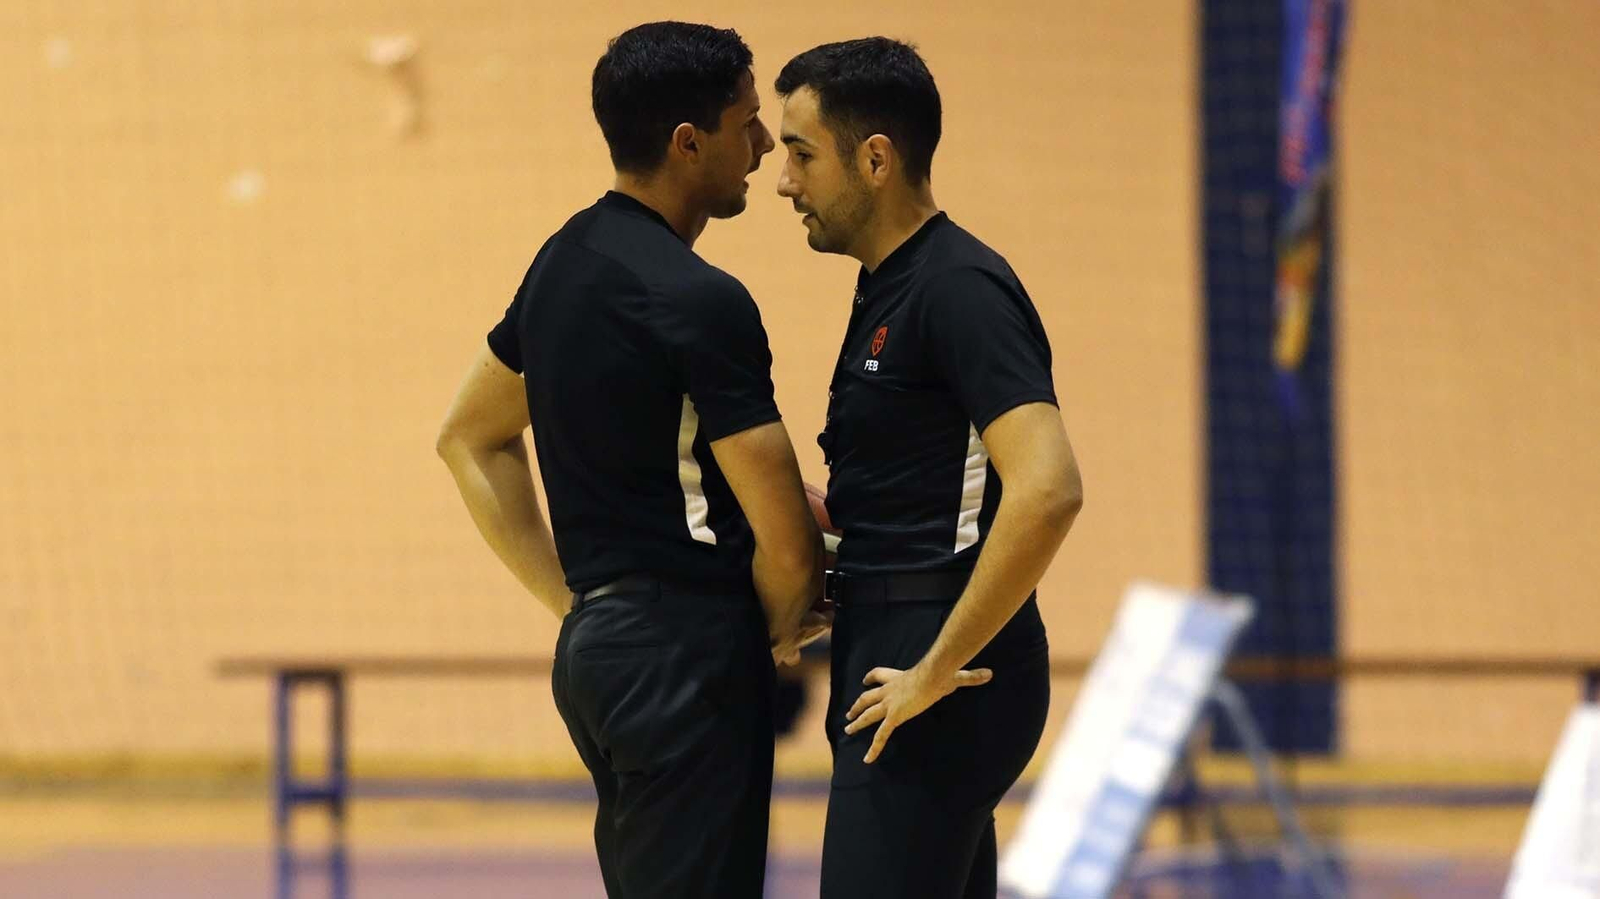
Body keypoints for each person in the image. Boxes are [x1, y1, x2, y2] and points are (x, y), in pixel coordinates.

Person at [435, 21, 823, 898]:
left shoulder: (561, 263)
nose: (763, 143)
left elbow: (468, 435)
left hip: (601, 659)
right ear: (689, 143)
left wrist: (575, 605)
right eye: (748, 121)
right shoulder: (703, 301)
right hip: (687, 658)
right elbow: (791, 548)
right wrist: (768, 626)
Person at [773, 37, 1085, 898]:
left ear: (875, 159)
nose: (782, 179)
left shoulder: (960, 287)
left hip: (939, 672)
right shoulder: (890, 286)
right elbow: (927, 490)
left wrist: (938, 666)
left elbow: (1049, 487)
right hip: (894, 653)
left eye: (801, 153)